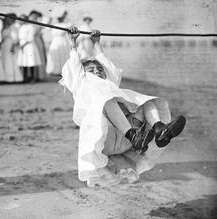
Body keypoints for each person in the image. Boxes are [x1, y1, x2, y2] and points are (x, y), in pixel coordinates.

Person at [60, 26, 186, 187]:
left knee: (145, 102)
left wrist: (97, 43)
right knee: (108, 100)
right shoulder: (82, 83)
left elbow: (108, 67)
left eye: (99, 70)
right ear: (83, 74)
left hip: (125, 139)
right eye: (91, 70)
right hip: (105, 140)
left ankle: (160, 130)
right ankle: (135, 137)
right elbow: (74, 66)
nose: (97, 72)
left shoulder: (108, 83)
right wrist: (72, 42)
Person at [17, 13, 42, 82]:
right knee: (24, 62)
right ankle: (25, 77)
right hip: (22, 45)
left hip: (29, 45)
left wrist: (23, 45)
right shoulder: (21, 27)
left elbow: (31, 38)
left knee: (31, 62)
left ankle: (33, 77)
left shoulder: (30, 26)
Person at [0, 14, 23, 82]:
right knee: (3, 59)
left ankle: (11, 77)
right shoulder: (4, 27)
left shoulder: (13, 27)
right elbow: (1, 38)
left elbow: (14, 37)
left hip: (10, 44)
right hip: (4, 45)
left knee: (10, 60)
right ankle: (3, 77)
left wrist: (12, 45)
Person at [46, 8, 71, 75]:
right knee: (55, 55)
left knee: (63, 55)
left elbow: (71, 25)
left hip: (62, 41)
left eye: (61, 17)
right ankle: (55, 71)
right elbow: (47, 27)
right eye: (59, 17)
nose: (60, 19)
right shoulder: (55, 25)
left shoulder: (66, 24)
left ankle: (64, 71)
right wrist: (50, 19)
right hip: (55, 42)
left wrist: (65, 15)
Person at [29, 10, 47, 81]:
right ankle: (31, 75)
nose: (34, 17)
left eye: (36, 16)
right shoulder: (28, 23)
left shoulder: (38, 23)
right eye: (33, 15)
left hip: (38, 41)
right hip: (31, 42)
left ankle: (38, 76)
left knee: (39, 57)